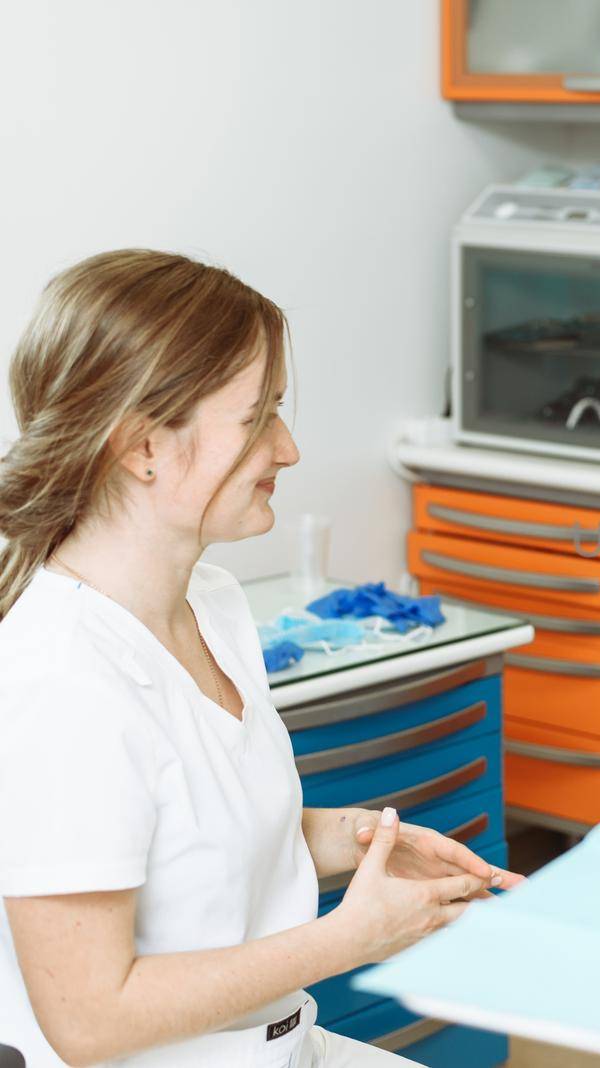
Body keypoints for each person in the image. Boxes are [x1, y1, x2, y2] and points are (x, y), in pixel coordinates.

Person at [0, 250, 523, 1067]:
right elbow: (89, 1019)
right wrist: (351, 938)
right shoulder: (63, 680)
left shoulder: (211, 603)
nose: (288, 448)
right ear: (144, 447)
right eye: (258, 418)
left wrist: (363, 840)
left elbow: (207, 852)